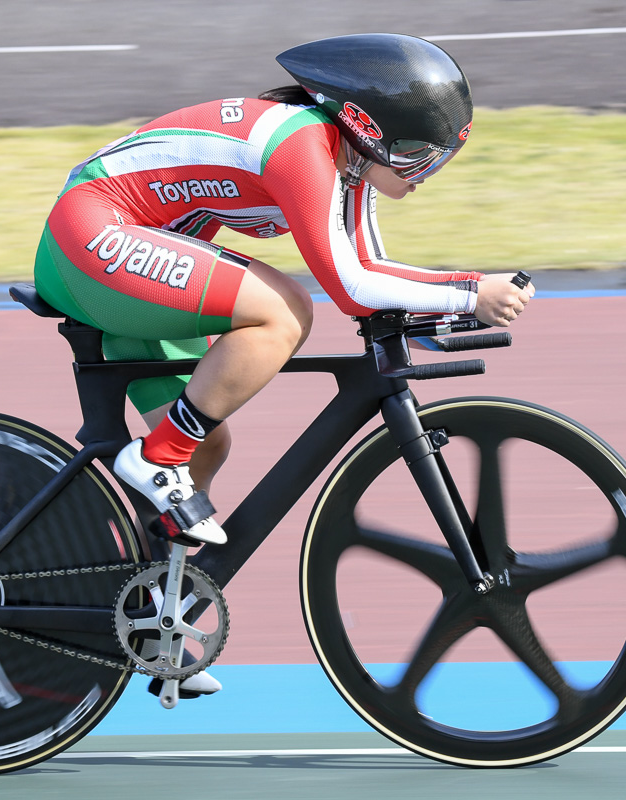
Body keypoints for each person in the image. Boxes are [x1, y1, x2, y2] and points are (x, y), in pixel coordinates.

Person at [33, 33, 533, 695]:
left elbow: (373, 276)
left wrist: (444, 317)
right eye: (413, 157)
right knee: (284, 312)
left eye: (436, 163)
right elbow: (349, 286)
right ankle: (155, 458)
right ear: (364, 127)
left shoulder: (350, 167)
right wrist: (472, 291)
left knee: (205, 446)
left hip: (138, 249)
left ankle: (158, 620)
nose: (420, 177)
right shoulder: (304, 146)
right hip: (93, 236)